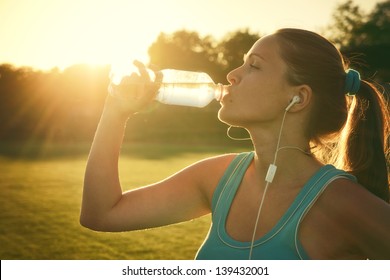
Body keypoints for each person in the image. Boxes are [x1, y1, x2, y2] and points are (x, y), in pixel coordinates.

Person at [80, 28, 390, 260]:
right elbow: (102, 214)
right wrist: (115, 110)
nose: (231, 75)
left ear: (298, 98)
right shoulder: (218, 178)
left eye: (254, 66)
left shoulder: (342, 203)